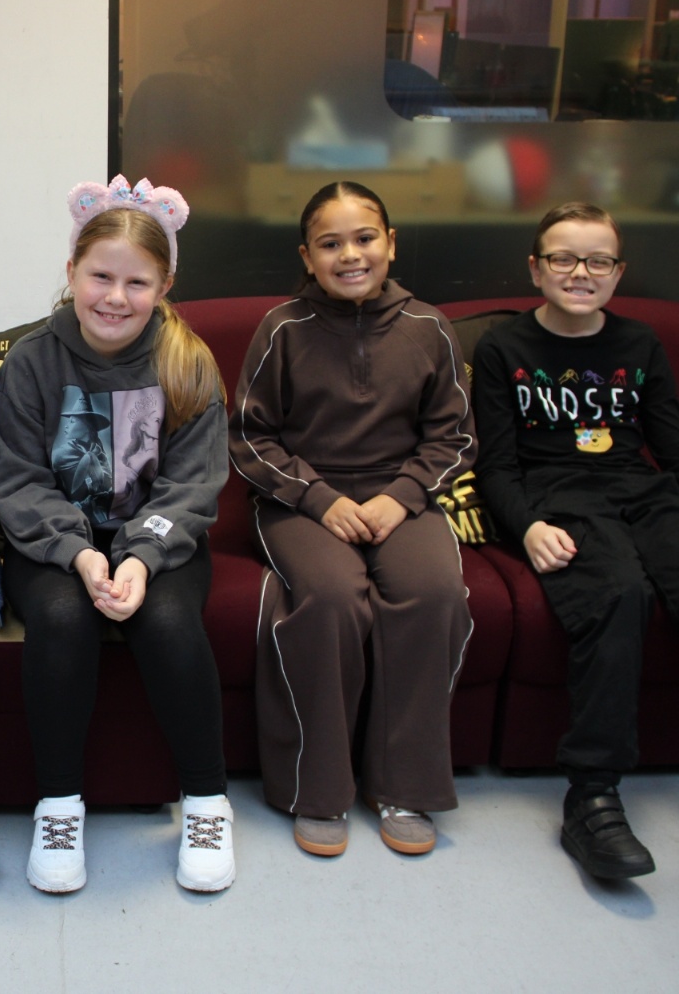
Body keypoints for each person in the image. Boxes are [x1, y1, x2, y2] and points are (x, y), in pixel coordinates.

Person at [472, 201, 679, 879]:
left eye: (598, 260)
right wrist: (528, 526)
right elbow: (496, 465)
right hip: (560, 498)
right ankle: (592, 797)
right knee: (617, 596)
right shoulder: (503, 349)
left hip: (645, 492)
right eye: (563, 258)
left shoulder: (640, 344)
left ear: (617, 272)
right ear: (536, 268)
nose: (580, 272)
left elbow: (678, 448)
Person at [0, 175, 236, 894]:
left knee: (167, 618)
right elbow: (18, 479)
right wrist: (80, 553)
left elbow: (193, 484)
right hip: (53, 545)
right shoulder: (31, 360)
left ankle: (207, 802)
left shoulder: (187, 361)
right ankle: (59, 806)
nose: (115, 297)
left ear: (165, 286)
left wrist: (141, 557)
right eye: (100, 276)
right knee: (63, 616)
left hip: (159, 539)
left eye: (137, 283)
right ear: (72, 272)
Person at [230, 181, 475, 858]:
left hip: (402, 498)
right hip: (302, 501)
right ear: (306, 257)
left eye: (364, 238)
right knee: (332, 596)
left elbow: (454, 438)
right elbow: (249, 437)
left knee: (434, 593)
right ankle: (319, 788)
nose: (350, 255)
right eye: (330, 244)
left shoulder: (430, 327)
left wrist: (402, 495)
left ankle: (403, 785)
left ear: (390, 243)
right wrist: (321, 499)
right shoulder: (282, 329)